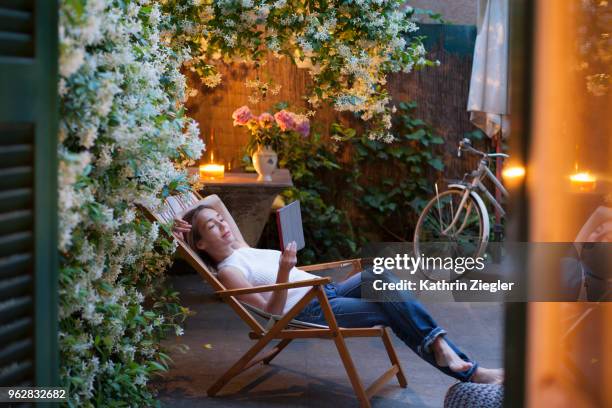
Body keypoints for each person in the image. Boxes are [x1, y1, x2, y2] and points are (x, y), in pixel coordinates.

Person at [173, 204, 504, 384]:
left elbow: (213, 202)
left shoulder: (241, 247)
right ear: (201, 244)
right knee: (391, 305)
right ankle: (470, 371)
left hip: (324, 292)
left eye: (221, 220)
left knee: (379, 275)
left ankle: (442, 346)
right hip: (306, 310)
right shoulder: (229, 270)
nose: (223, 223)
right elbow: (272, 313)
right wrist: (285, 270)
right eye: (213, 226)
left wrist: (187, 222)